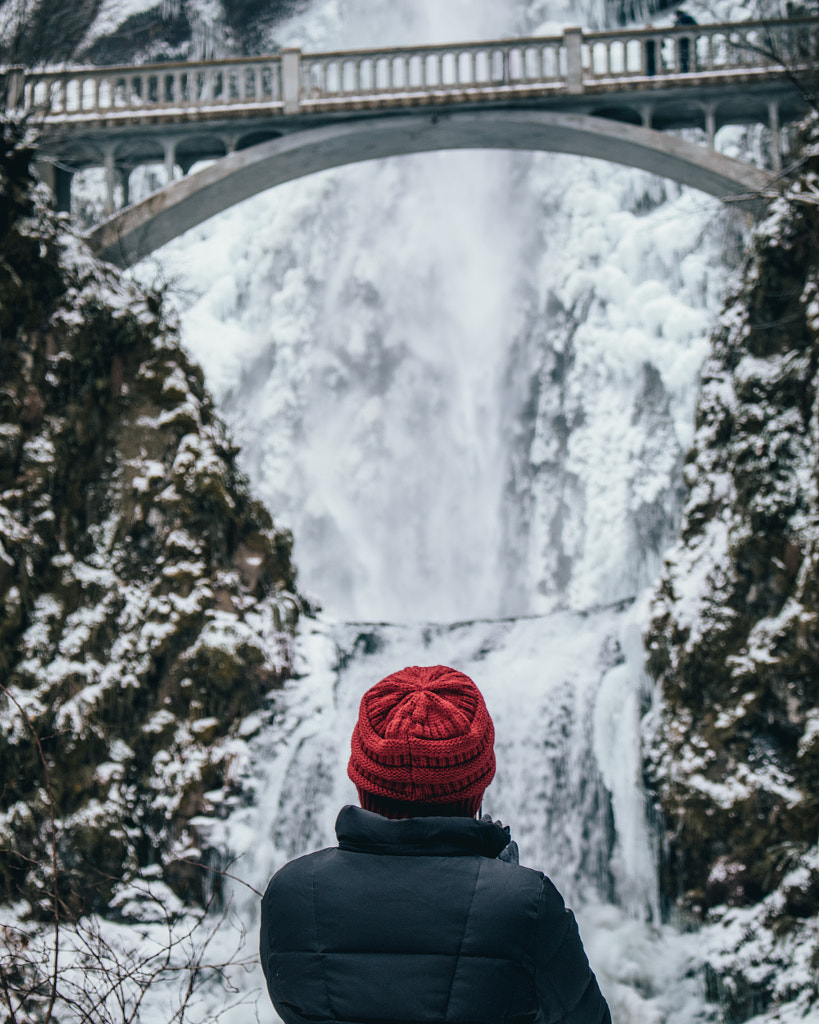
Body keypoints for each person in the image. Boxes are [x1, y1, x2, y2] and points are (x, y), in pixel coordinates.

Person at [260, 664, 612, 1024]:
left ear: (362, 778)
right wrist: (502, 884)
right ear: (479, 783)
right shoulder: (527, 904)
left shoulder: (290, 892)